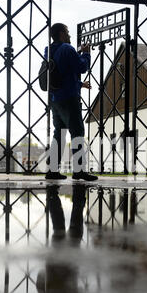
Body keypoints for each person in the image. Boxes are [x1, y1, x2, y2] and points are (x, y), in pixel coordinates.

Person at [44, 23, 98, 182]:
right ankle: (79, 171)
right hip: (69, 98)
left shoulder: (49, 50)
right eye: (67, 32)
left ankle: (52, 170)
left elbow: (60, 73)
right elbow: (81, 67)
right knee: (77, 132)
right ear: (61, 34)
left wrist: (80, 84)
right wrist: (86, 54)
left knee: (59, 133)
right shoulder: (68, 49)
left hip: (55, 98)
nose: (69, 35)